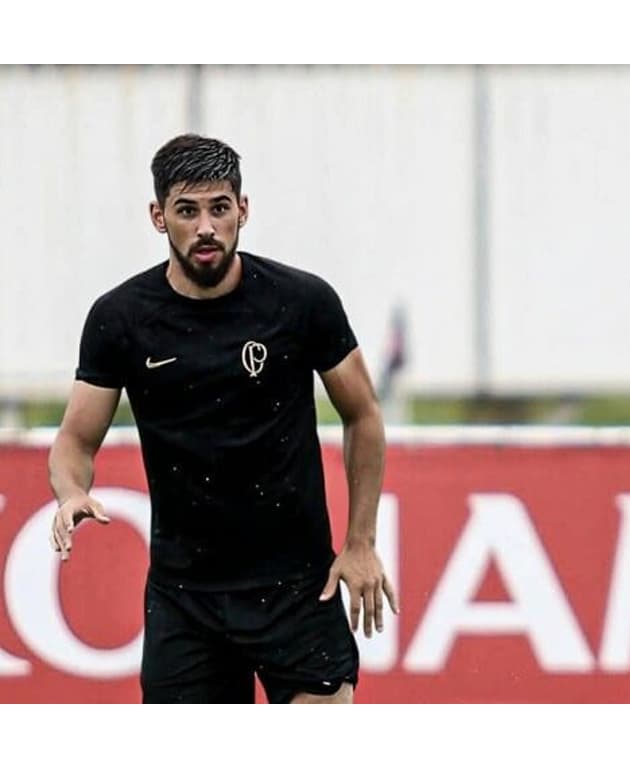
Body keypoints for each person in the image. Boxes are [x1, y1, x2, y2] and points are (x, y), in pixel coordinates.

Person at [47, 134, 397, 704]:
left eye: (219, 208)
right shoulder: (121, 318)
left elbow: (363, 413)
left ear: (244, 210)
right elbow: (74, 441)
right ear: (159, 217)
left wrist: (360, 543)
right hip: (187, 597)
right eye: (187, 210)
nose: (205, 226)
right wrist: (70, 492)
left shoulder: (302, 302)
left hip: (300, 590)